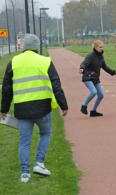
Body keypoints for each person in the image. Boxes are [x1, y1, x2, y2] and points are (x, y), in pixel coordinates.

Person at [1, 34, 68, 183]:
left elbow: (6, 88)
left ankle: (25, 174)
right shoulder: (45, 61)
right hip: (42, 107)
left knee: (24, 141)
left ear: (23, 46)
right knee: (45, 133)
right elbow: (56, 84)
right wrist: (63, 105)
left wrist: (4, 109)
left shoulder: (14, 62)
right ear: (37, 46)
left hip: (22, 109)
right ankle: (39, 163)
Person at [79, 40, 116, 117]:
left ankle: (93, 111)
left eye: (102, 47)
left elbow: (104, 67)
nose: (102, 48)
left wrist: (112, 72)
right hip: (88, 77)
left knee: (101, 95)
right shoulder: (90, 56)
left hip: (95, 79)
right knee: (93, 92)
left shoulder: (101, 56)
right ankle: (84, 106)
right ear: (95, 47)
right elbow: (84, 63)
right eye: (100, 47)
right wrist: (82, 68)